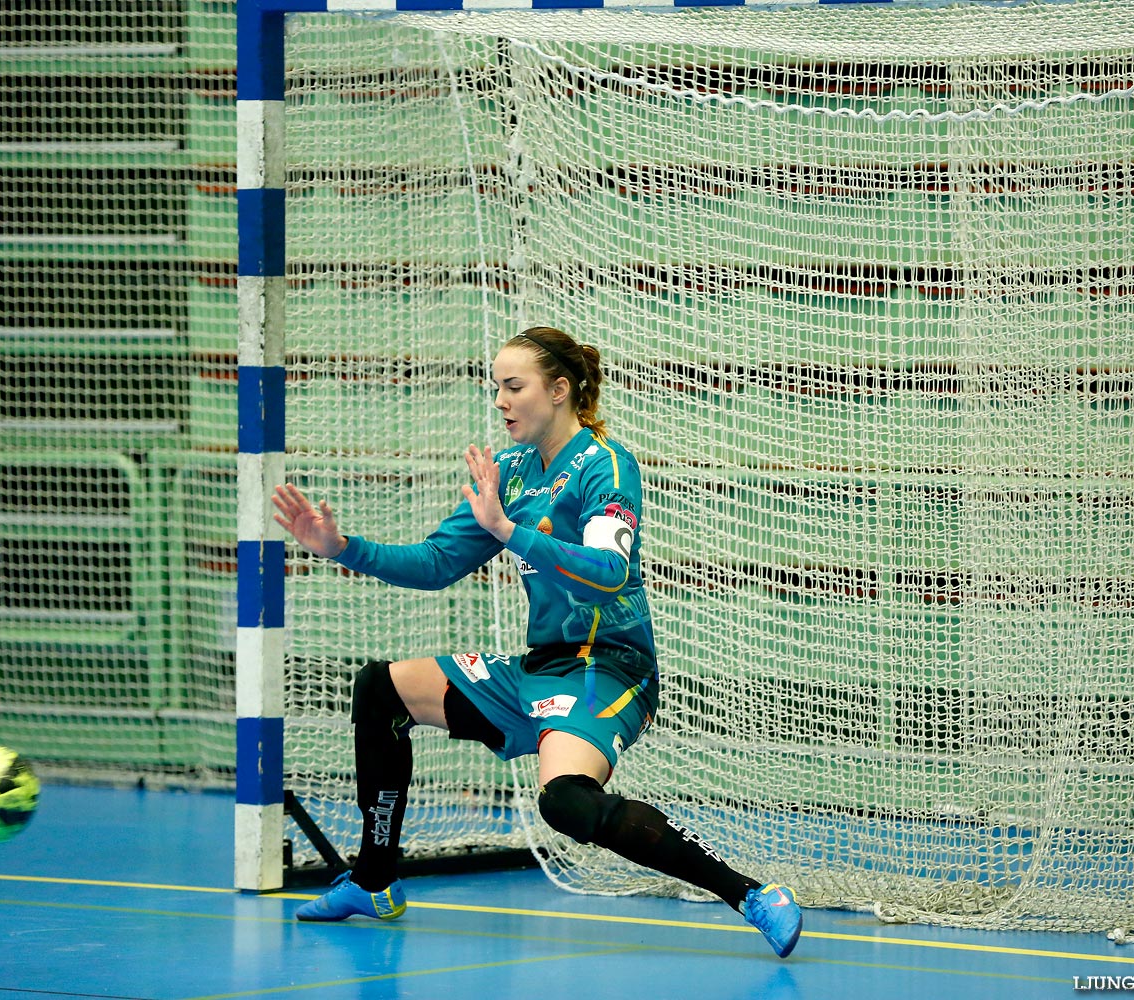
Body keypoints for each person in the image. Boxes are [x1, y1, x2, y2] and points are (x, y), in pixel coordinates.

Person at [271, 325, 803, 958]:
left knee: (567, 804)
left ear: (558, 389)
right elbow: (439, 562)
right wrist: (342, 548)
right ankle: (374, 879)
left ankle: (752, 895)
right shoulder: (513, 471)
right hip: (539, 666)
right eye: (495, 387)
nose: (500, 400)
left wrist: (508, 531)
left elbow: (610, 573)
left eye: (513, 386)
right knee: (382, 688)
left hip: (606, 667)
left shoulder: (606, 464)